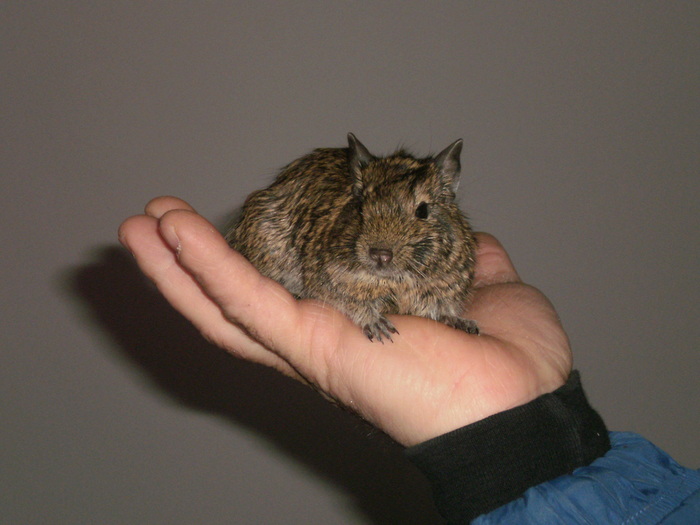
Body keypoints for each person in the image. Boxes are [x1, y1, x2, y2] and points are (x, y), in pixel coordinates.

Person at [119, 196, 700, 524]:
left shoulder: (453, 254)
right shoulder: (339, 238)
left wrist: (504, 425)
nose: (383, 244)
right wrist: (525, 443)